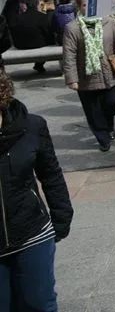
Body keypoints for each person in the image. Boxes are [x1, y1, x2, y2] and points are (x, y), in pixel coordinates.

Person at [0, 69, 73, 312]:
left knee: (39, 305)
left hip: (32, 233)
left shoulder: (31, 127)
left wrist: (61, 217)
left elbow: (50, 173)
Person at [62, 0, 115, 152]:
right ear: (79, 7)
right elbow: (69, 55)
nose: (90, 8)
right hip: (86, 76)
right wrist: (72, 79)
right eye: (85, 5)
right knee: (93, 111)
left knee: (112, 102)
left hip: (108, 72)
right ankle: (102, 137)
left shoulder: (108, 22)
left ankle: (109, 124)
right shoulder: (72, 28)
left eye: (93, 5)